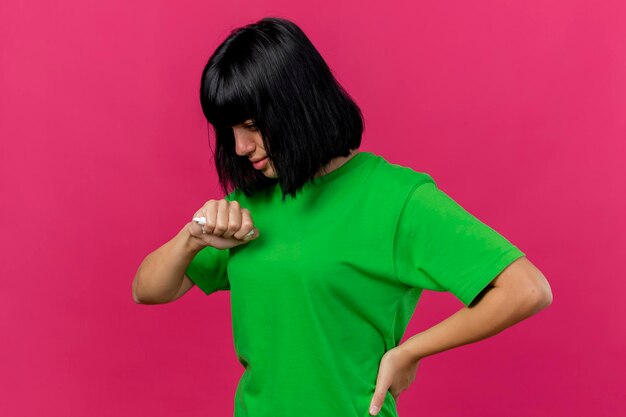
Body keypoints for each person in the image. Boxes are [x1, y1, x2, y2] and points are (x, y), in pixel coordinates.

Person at [132, 16, 553, 417]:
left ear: (299, 106)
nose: (240, 147)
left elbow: (527, 289)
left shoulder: (395, 199)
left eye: (252, 125)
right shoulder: (248, 207)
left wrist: (411, 350)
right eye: (229, 131)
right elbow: (147, 290)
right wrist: (193, 237)